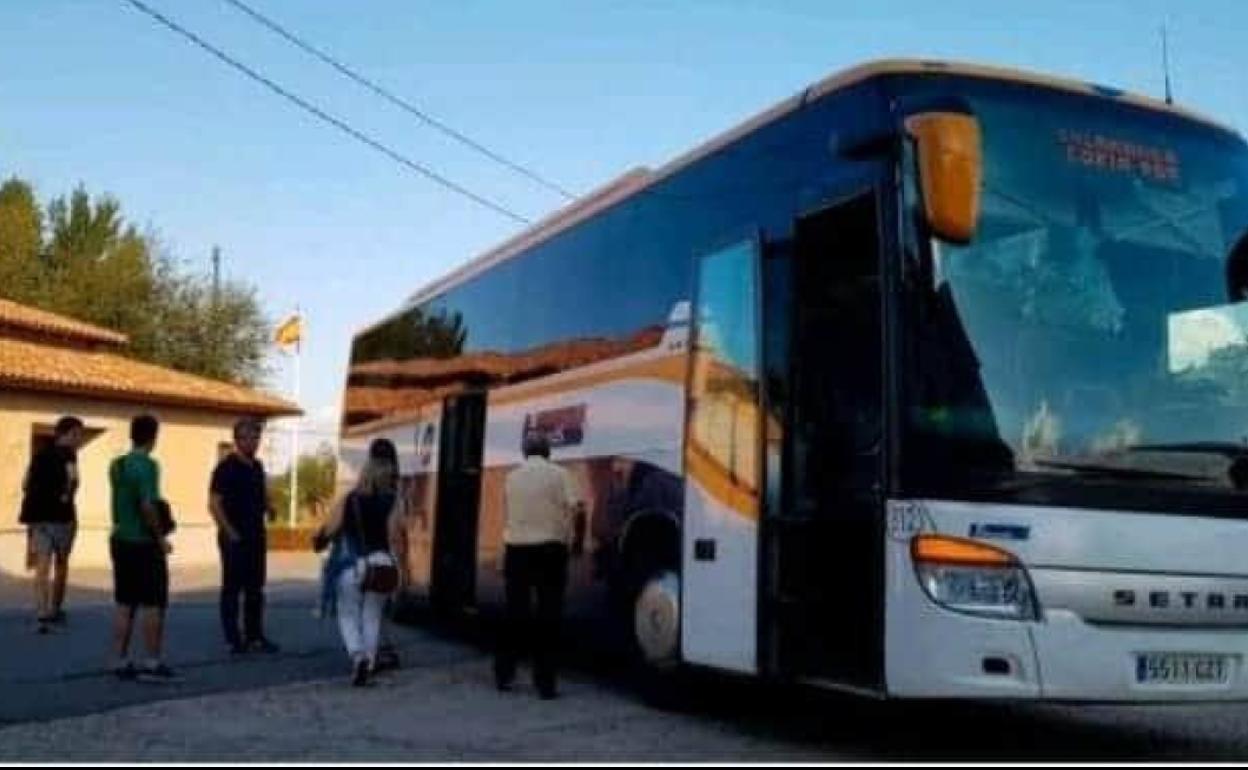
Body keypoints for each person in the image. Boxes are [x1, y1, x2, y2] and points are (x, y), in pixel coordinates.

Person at [495, 431, 585, 700]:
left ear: (525, 452)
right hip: (550, 551)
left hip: (517, 551)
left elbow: (507, 516)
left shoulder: (511, 477)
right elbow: (578, 509)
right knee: (549, 616)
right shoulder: (560, 474)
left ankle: (504, 674)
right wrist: (577, 541)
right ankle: (545, 684)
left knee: (514, 614)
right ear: (548, 451)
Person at [313, 455, 404, 686]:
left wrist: (319, 540)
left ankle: (357, 656)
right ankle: (370, 663)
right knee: (372, 616)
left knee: (347, 614)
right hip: (382, 564)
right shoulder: (394, 501)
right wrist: (398, 566)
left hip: (353, 565)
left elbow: (330, 529)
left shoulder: (350, 499)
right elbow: (394, 537)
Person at [108, 414, 178, 682]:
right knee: (153, 603)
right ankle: (152, 662)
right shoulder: (148, 466)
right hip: (143, 542)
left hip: (120, 537)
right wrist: (160, 538)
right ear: (153, 436)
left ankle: (119, 659)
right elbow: (148, 505)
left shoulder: (117, 465)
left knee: (124, 602)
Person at [209, 417, 279, 655]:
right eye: (248, 438)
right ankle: (233, 639)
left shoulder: (257, 467)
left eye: (256, 438)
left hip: (256, 535)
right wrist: (230, 532)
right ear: (237, 440)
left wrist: (270, 507)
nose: (254, 442)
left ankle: (254, 635)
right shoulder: (225, 468)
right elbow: (214, 504)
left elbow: (263, 494)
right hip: (234, 537)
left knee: (255, 588)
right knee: (232, 588)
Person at [20, 416, 85, 634]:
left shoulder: (39, 454)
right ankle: (56, 609)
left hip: (37, 516)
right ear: (69, 433)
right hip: (61, 516)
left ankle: (41, 610)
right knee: (62, 562)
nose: (79, 438)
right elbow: (74, 480)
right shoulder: (69, 454)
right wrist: (66, 497)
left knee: (42, 563)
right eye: (78, 434)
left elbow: (25, 483)